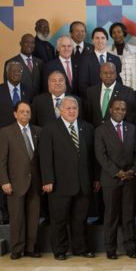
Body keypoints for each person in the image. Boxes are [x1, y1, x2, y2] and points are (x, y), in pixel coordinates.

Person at [39, 96, 97, 260]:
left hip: (83, 183)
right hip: (59, 184)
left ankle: (81, 248)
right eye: (68, 108)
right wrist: (47, 180)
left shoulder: (87, 128)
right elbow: (45, 157)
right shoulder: (50, 129)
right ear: (60, 110)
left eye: (74, 108)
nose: (72, 111)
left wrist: (95, 179)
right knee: (59, 220)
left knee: (80, 219)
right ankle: (60, 250)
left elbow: (92, 157)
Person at [94, 98, 136, 259]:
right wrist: (117, 172)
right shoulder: (101, 130)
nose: (120, 111)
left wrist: (133, 170)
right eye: (117, 109)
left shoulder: (132, 129)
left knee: (128, 215)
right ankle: (110, 248)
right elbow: (101, 155)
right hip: (110, 180)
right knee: (111, 216)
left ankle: (130, 247)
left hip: (130, 179)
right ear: (110, 110)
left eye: (123, 109)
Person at [0, 61, 33, 225]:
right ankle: (5, 213)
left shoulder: (28, 90)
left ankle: (25, 212)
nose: (17, 73)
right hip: (3, 142)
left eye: (19, 71)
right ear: (7, 73)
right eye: (14, 71)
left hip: (24, 141)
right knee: (4, 176)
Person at [0, 102, 41, 259]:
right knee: (16, 217)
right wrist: (4, 181)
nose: (25, 114)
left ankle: (30, 247)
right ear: (15, 114)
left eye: (28, 112)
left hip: (35, 182)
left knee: (33, 217)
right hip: (14, 183)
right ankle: (17, 249)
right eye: (22, 112)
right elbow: (1, 160)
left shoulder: (37, 131)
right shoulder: (6, 132)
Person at [84, 62, 136, 127]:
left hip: (117, 134)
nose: (108, 75)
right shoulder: (91, 91)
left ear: (116, 74)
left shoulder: (127, 92)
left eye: (111, 73)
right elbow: (88, 116)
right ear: (100, 74)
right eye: (105, 73)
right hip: (96, 133)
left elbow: (131, 118)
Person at [78, 27, 122, 95]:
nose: (100, 41)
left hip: (113, 99)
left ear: (107, 40)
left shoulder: (116, 59)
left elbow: (119, 82)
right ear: (92, 40)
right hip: (92, 100)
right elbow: (82, 85)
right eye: (97, 38)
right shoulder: (85, 60)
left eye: (103, 38)